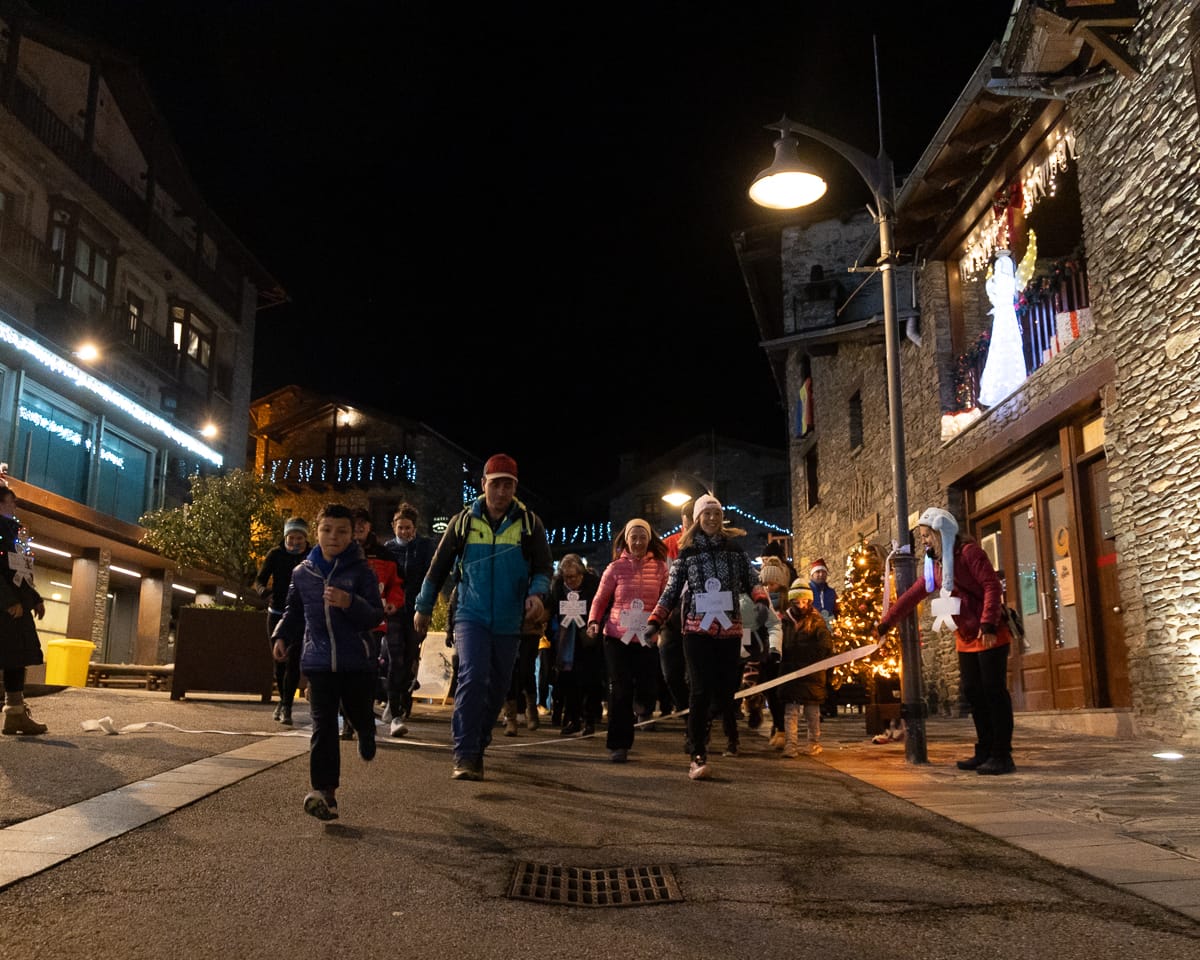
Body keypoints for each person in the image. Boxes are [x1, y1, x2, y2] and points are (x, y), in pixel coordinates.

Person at [413, 453, 553, 781]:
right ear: (483, 485)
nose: (501, 492)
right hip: (470, 614)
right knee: (473, 677)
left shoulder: (529, 523)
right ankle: (464, 754)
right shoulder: (463, 521)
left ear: (515, 487)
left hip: (509, 618)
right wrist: (423, 606)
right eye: (496, 484)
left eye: (508, 485)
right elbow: (438, 568)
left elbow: (544, 568)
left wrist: (536, 593)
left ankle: (478, 741)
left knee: (501, 686)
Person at [876, 506, 1016, 775]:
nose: (924, 541)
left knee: (993, 692)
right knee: (975, 693)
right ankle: (985, 749)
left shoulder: (968, 553)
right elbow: (916, 593)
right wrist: (887, 621)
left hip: (988, 634)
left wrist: (987, 623)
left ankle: (1002, 754)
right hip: (965, 636)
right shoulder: (936, 564)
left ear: (942, 533)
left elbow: (991, 585)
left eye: (927, 535)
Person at [271, 503, 384, 820]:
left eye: (342, 531)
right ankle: (325, 794)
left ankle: (366, 731)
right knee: (323, 726)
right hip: (318, 662)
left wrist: (350, 602)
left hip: (356, 662)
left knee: (358, 711)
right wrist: (282, 637)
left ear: (353, 536)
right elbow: (294, 612)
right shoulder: (302, 573)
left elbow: (374, 615)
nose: (334, 537)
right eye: (327, 530)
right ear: (316, 533)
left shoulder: (362, 572)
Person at [648, 494, 757, 781]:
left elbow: (752, 578)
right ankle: (697, 753)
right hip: (696, 630)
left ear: (722, 518)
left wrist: (759, 596)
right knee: (698, 690)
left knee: (724, 692)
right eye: (706, 515)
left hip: (729, 630)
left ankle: (709, 730)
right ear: (697, 519)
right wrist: (656, 619)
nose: (711, 519)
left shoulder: (734, 549)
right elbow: (672, 590)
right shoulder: (688, 552)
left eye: (716, 514)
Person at [586, 520, 670, 762]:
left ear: (649, 539)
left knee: (646, 684)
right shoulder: (615, 568)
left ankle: (644, 707)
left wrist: (662, 625)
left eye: (642, 536)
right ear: (626, 540)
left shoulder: (660, 568)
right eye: (633, 537)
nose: (638, 541)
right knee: (620, 689)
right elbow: (600, 599)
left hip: (647, 636)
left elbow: (667, 600)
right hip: (616, 636)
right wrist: (594, 621)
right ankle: (618, 744)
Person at [349, 507, 406, 738]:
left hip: (375, 621)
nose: (359, 526)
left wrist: (393, 602)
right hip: (347, 622)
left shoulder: (385, 555)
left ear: (370, 526)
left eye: (364, 522)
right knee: (350, 670)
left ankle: (375, 712)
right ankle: (350, 721)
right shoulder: (341, 552)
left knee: (370, 669)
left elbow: (397, 584)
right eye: (355, 523)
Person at [0, 483, 48, 736]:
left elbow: (21, 571)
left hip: (16, 607)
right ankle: (14, 715)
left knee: (15, 660)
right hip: (6, 609)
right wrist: (8, 601)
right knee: (10, 657)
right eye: (11, 501)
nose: (14, 506)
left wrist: (35, 597)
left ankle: (15, 715)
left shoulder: (13, 533)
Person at [383, 502, 435, 727]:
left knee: (409, 657)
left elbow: (430, 576)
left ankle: (404, 697)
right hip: (394, 610)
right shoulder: (387, 549)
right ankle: (393, 705)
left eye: (408, 527)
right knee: (394, 658)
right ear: (394, 526)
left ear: (414, 528)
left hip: (416, 609)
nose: (403, 531)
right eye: (400, 527)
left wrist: (426, 606)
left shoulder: (424, 547)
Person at [254, 516, 309, 725]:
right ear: (285, 537)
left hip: (299, 614)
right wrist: (263, 591)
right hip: (276, 612)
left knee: (294, 659)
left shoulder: (312, 555)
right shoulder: (275, 554)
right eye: (291, 538)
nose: (295, 542)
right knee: (279, 661)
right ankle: (282, 700)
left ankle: (287, 706)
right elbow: (259, 579)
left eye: (299, 538)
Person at [548, 554, 603, 736]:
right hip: (565, 640)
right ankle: (573, 719)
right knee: (568, 680)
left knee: (589, 679)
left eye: (573, 577)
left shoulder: (593, 584)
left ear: (582, 574)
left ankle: (589, 720)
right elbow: (551, 610)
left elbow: (602, 606)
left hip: (587, 638)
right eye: (566, 577)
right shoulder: (557, 586)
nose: (569, 581)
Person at [778, 580, 834, 758]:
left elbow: (825, 643)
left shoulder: (816, 620)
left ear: (809, 601)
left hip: (812, 672)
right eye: (797, 601)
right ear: (791, 601)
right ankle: (790, 744)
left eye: (804, 601)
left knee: (812, 712)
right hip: (790, 671)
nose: (801, 605)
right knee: (791, 712)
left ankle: (813, 743)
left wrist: (818, 655)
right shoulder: (784, 621)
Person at [656, 501, 693, 719]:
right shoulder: (668, 546)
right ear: (683, 521)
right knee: (671, 674)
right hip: (672, 616)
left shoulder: (711, 545)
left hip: (701, 616)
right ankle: (686, 712)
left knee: (696, 675)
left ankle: (696, 721)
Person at [808, 558, 839, 627]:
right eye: (818, 572)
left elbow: (836, 610)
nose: (821, 574)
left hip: (830, 628)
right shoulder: (807, 591)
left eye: (823, 572)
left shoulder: (831, 592)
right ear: (812, 574)